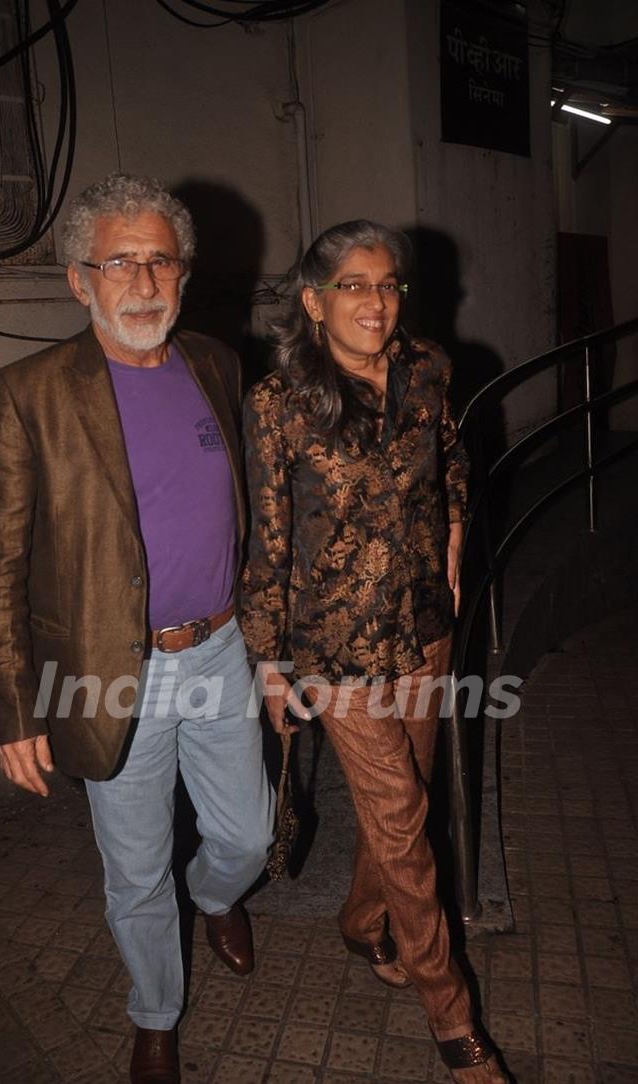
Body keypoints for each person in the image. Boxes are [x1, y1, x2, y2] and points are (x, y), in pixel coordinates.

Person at [0, 173, 274, 1084]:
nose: (143, 281)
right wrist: (13, 712)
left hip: (220, 650)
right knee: (135, 869)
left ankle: (217, 899)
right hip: (109, 670)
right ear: (79, 280)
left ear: (183, 274)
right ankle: (154, 1013)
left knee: (248, 840)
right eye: (120, 262)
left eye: (160, 261)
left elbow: (250, 513)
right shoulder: (27, 392)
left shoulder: (216, 363)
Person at [239, 220, 509, 1082]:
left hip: (424, 628)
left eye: (387, 283)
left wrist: (458, 538)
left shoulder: (427, 369)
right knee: (400, 824)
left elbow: (451, 460)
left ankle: (361, 924)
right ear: (313, 302)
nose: (376, 300)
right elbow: (270, 544)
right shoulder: (279, 403)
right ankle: (452, 1016)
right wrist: (269, 661)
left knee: (408, 808)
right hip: (337, 647)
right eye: (353, 285)